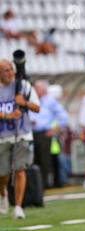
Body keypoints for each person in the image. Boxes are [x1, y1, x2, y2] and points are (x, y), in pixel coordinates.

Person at [0, 59, 40, 219]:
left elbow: (37, 107)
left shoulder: (24, 86)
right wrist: (7, 116)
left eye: (11, 69)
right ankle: (3, 194)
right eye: (5, 70)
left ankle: (18, 206)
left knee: (20, 169)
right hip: (2, 136)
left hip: (22, 133)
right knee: (3, 174)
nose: (10, 73)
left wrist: (24, 103)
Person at [29, 80, 69, 189]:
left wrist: (54, 130)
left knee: (44, 160)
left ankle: (44, 184)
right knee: (33, 160)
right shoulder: (32, 101)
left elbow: (63, 117)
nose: (35, 90)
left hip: (44, 134)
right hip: (31, 133)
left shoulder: (50, 101)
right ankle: (35, 184)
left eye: (38, 88)